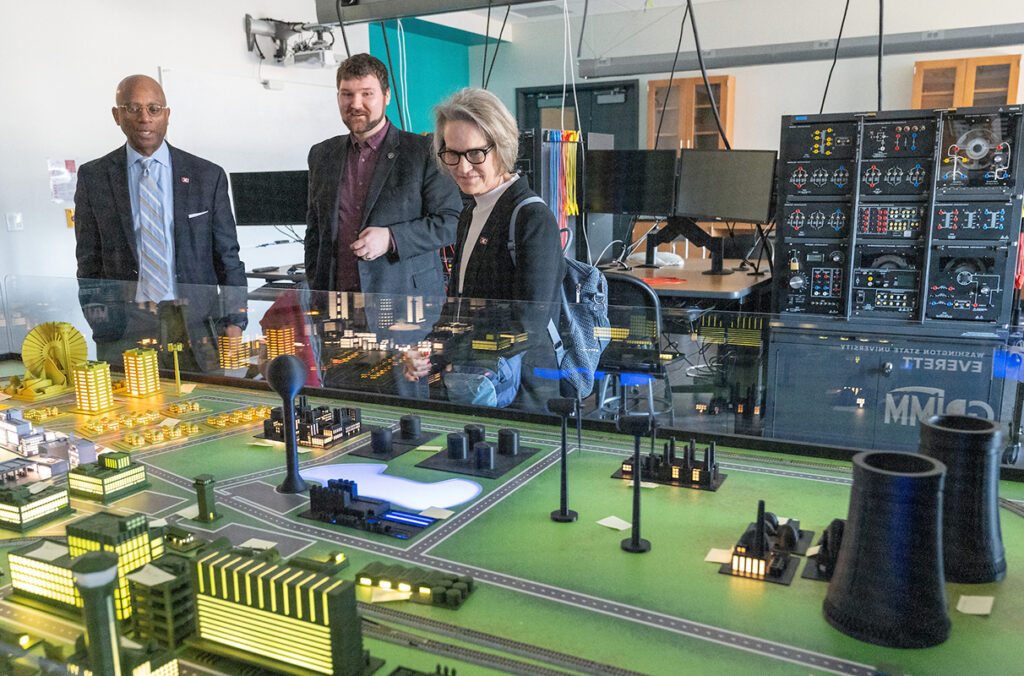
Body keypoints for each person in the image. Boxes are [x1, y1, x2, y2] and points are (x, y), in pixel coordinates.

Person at [406, 88, 566, 411]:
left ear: (502, 146)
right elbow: (459, 307)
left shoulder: (533, 218)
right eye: (452, 153)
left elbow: (528, 325)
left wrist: (449, 352)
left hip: (522, 394)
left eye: (476, 154)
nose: (463, 168)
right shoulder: (470, 211)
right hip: (475, 383)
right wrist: (426, 351)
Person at [74, 74, 247, 372]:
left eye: (154, 109)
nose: (144, 118)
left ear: (167, 115)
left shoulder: (207, 176)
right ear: (117, 115)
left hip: (196, 323)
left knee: (204, 405)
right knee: (132, 411)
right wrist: (99, 321)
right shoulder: (94, 177)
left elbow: (228, 257)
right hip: (125, 325)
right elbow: (88, 261)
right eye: (132, 108)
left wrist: (234, 321)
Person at [304, 53, 461, 295]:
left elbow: (451, 222)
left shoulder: (423, 152)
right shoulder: (321, 154)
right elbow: (315, 230)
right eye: (347, 94)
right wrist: (316, 286)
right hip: (335, 302)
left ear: (386, 96)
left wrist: (391, 238)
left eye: (367, 93)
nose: (356, 104)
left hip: (405, 303)